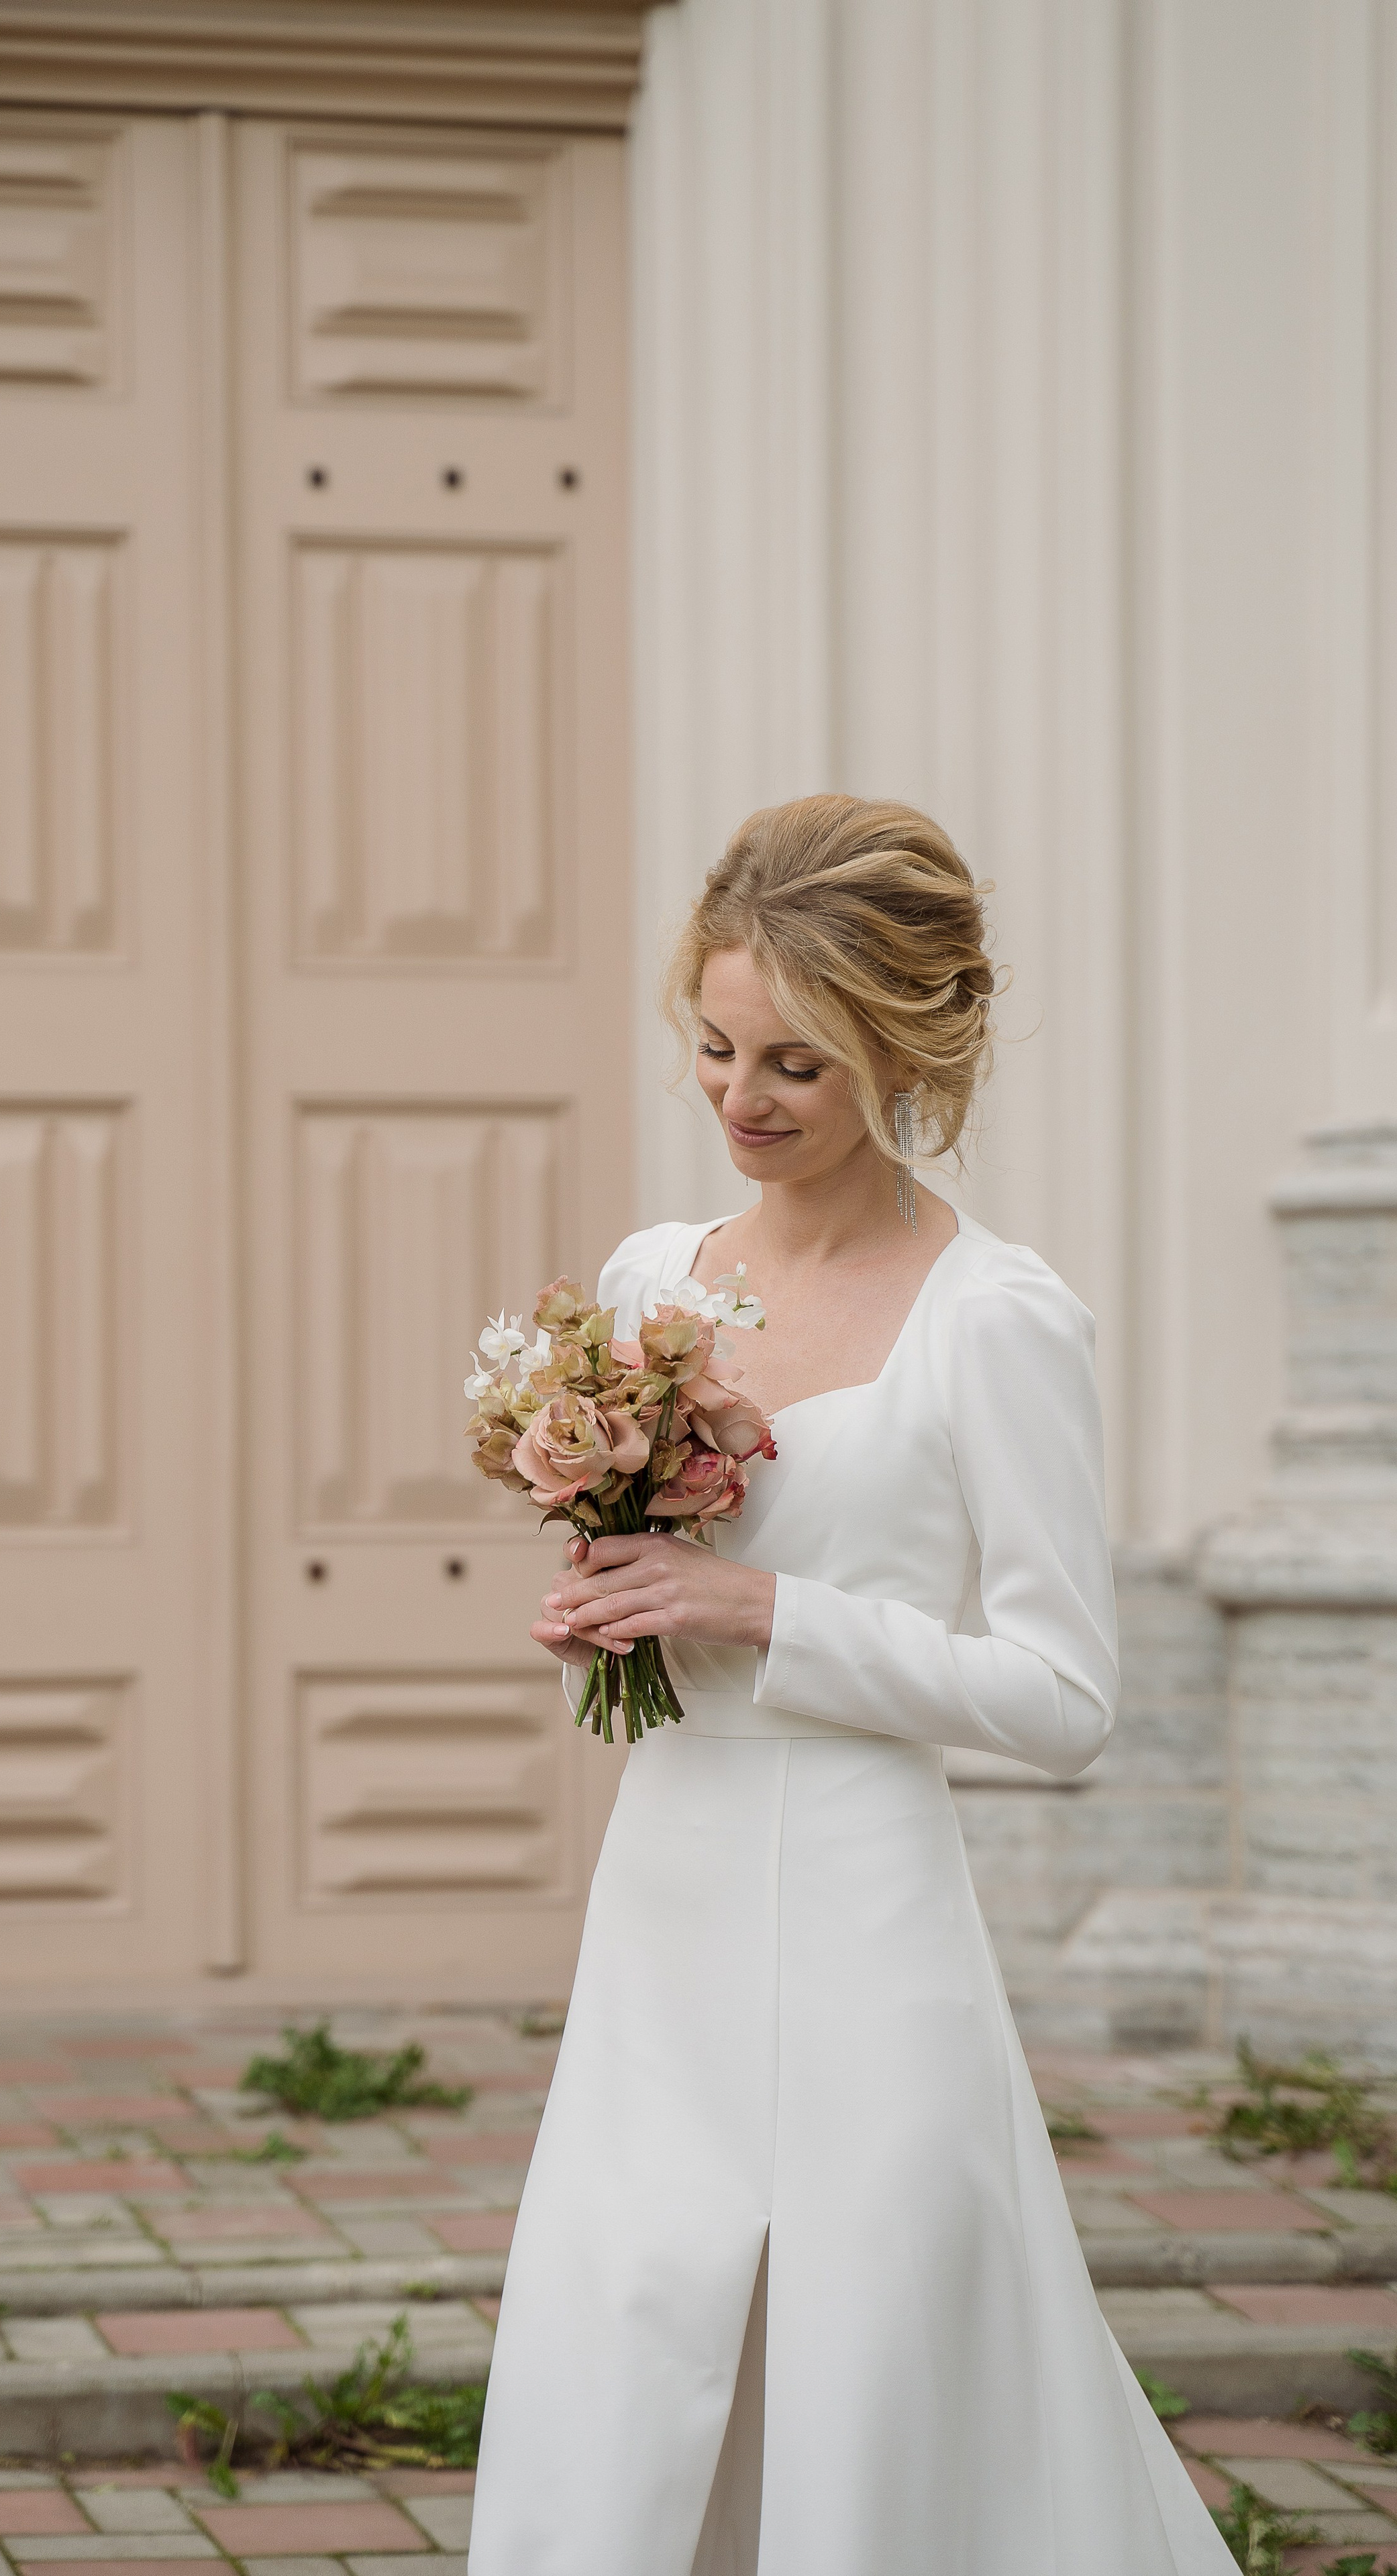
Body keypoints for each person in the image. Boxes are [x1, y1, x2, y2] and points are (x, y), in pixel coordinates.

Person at [466, 796, 1234, 2573]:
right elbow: (660, 1604)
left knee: (871, 2347)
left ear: (905, 1055)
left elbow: (1065, 1696)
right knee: (629, 2320)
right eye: (715, 1046)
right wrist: (611, 1616)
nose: (740, 1097)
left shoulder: (996, 1317)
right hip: (668, 1894)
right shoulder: (654, 1281)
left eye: (795, 1064)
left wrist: (762, 1610)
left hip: (866, 1917)